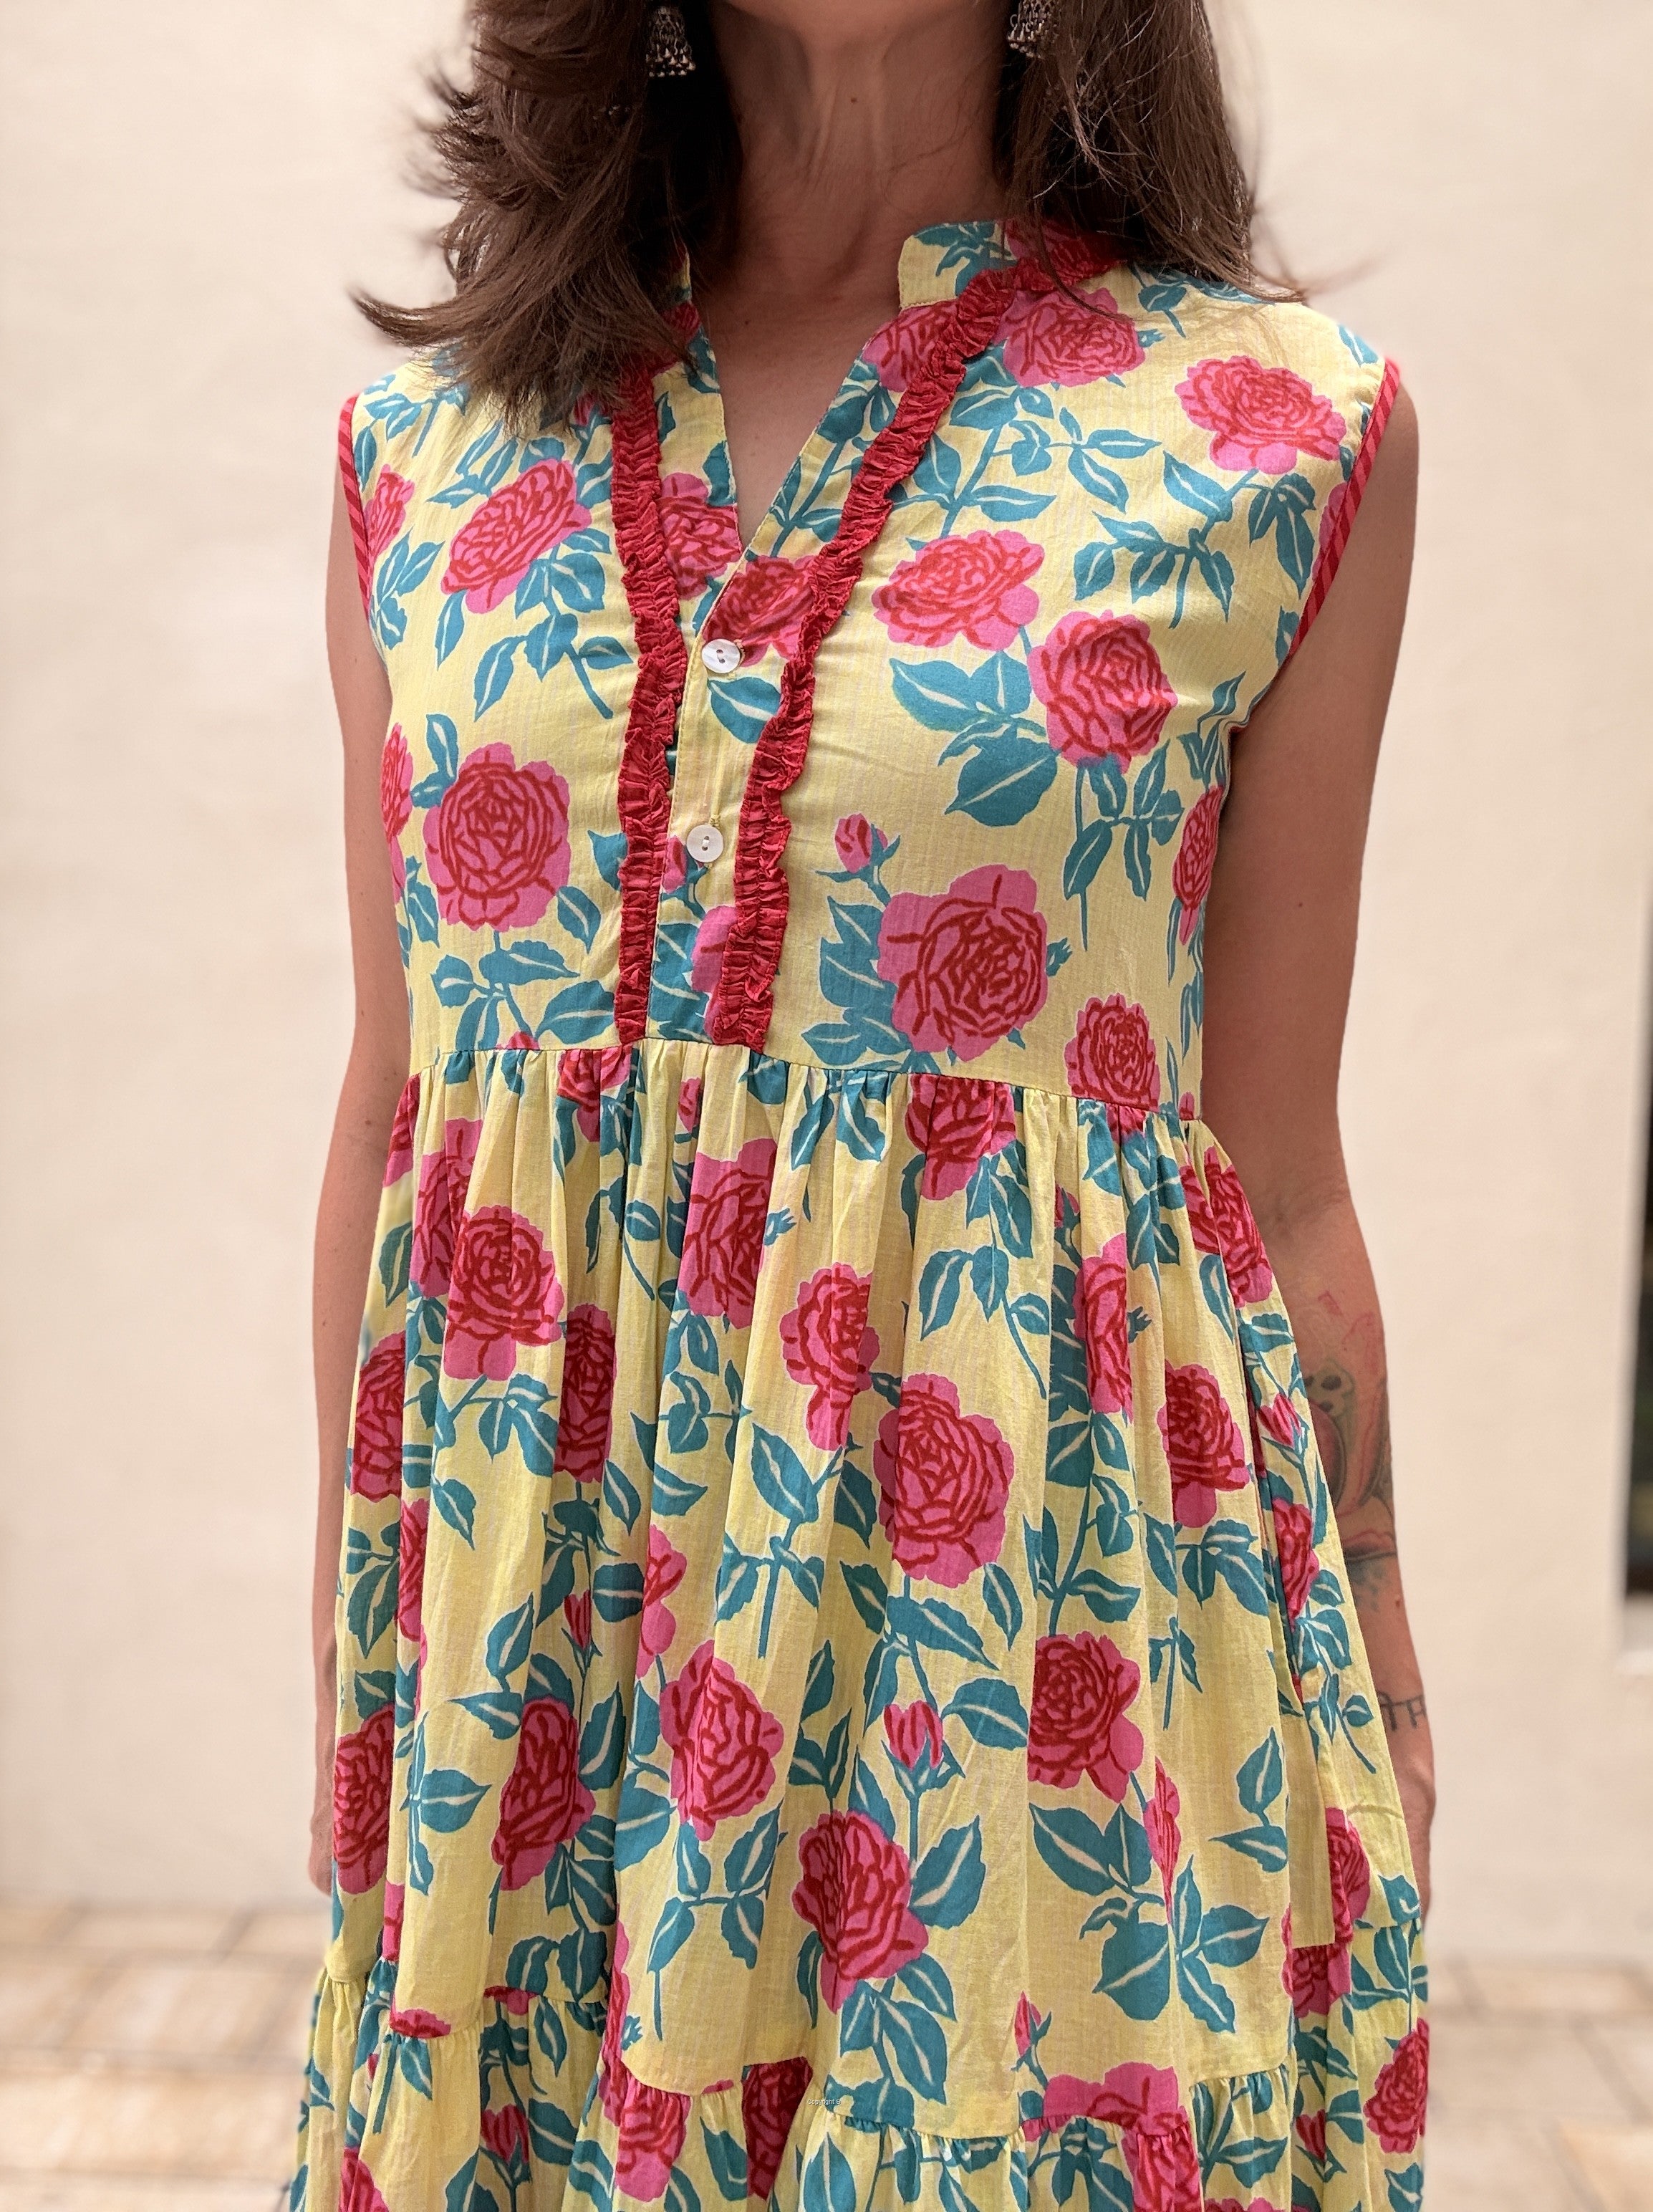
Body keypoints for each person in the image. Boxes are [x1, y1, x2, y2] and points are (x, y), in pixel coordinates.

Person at [294, 2, 1435, 2207]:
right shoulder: (422, 455)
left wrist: (1373, 1682)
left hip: (1024, 1669)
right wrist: (370, 1687)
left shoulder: (1282, 436)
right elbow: (393, 1121)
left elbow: (1274, 1172)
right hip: (535, 1682)